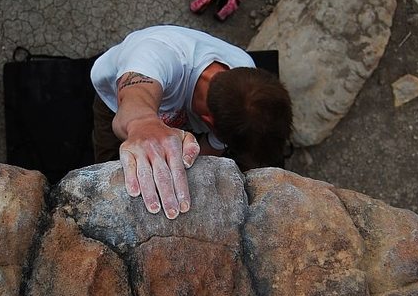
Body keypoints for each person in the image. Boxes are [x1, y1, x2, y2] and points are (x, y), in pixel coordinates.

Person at [90, 25, 292, 219]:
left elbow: (213, 145)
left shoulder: (245, 81)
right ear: (208, 121)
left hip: (200, 120)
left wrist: (184, 166)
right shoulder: (154, 57)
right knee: (112, 173)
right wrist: (142, 124)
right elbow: (133, 106)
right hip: (115, 104)